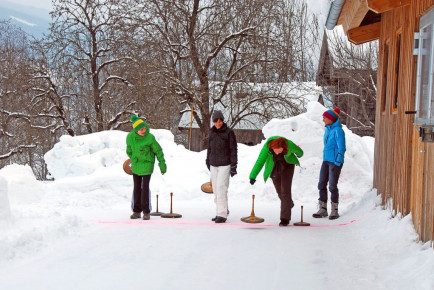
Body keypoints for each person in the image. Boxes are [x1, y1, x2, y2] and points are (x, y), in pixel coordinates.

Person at [249, 136, 303, 226]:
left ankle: (285, 218)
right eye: (275, 150)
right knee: (279, 191)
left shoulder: (289, 144)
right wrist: (252, 176)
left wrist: (299, 155)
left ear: (284, 147)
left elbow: (300, 152)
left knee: (285, 190)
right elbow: (260, 161)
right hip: (274, 166)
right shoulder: (267, 147)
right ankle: (289, 204)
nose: (277, 152)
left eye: (279, 150)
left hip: (288, 166)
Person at [126, 115, 166, 220]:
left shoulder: (150, 138)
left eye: (144, 128)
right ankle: (136, 211)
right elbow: (129, 151)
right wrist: (134, 159)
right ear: (135, 130)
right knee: (137, 188)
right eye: (140, 130)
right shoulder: (130, 137)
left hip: (147, 165)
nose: (143, 131)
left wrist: (162, 165)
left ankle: (146, 211)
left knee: (144, 188)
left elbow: (158, 151)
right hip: (136, 166)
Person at [312, 108, 346, 220]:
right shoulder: (328, 129)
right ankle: (323, 209)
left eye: (325, 118)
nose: (323, 120)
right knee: (321, 184)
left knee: (332, 186)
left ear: (331, 118)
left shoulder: (338, 131)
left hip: (334, 162)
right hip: (326, 161)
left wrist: (337, 162)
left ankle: (334, 210)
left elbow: (342, 148)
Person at [206, 110, 238, 223]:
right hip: (214, 164)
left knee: (221, 188)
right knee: (215, 189)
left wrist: (234, 165)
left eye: (220, 121)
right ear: (213, 121)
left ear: (222, 121)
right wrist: (207, 159)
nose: (218, 123)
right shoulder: (211, 132)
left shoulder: (229, 132)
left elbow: (233, 149)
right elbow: (209, 147)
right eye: (216, 121)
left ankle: (222, 214)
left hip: (225, 164)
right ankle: (220, 210)